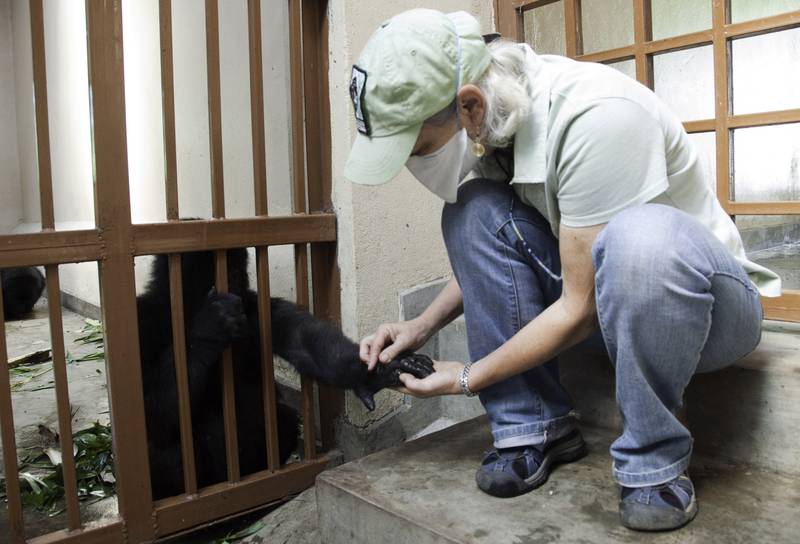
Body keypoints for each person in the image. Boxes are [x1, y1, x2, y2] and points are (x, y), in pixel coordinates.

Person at [344, 8, 780, 532]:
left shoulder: (596, 115)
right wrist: (420, 327)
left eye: (419, 147)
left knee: (638, 238)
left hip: (709, 312)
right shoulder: (498, 114)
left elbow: (579, 306)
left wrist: (464, 378)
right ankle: (535, 429)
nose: (417, 162)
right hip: (608, 306)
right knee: (471, 207)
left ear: (468, 105)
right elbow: (509, 247)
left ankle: (653, 462)